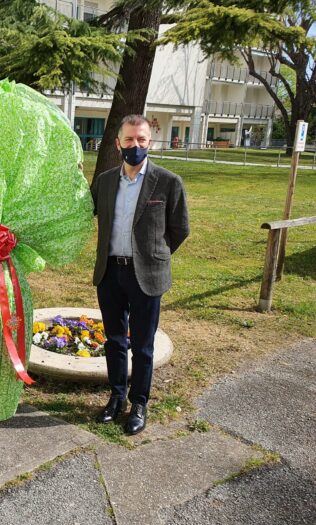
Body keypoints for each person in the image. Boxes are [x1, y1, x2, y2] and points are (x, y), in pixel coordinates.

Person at [90, 115, 189, 435]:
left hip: (145, 274)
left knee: (143, 345)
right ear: (118, 143)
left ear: (151, 142)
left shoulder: (168, 182)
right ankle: (117, 397)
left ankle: (139, 403)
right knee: (115, 340)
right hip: (110, 272)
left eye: (142, 140)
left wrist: (154, 257)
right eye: (129, 140)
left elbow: (180, 229)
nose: (135, 146)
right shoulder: (104, 181)